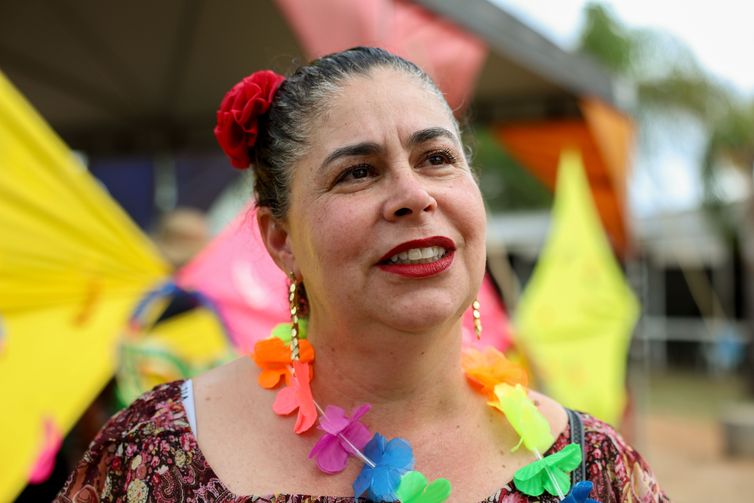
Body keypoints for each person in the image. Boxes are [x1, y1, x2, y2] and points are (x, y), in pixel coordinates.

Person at [55, 47, 668, 503]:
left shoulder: (596, 469)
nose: (413, 195)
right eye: (357, 172)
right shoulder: (154, 453)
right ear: (281, 240)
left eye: (436, 159)